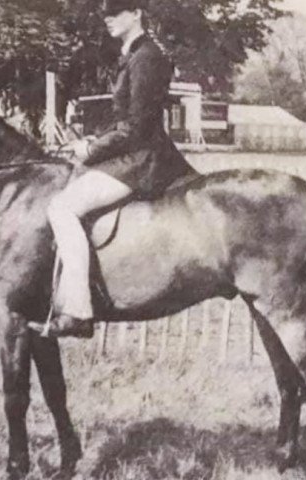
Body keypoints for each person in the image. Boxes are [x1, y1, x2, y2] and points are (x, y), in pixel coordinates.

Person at [43, 0, 194, 338]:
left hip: (141, 162)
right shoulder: (134, 55)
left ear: (137, 13)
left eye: (116, 12)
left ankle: (79, 310)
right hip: (132, 155)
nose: (108, 19)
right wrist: (90, 141)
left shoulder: (147, 58)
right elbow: (123, 120)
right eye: (105, 14)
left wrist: (92, 148)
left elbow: (137, 128)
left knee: (62, 208)